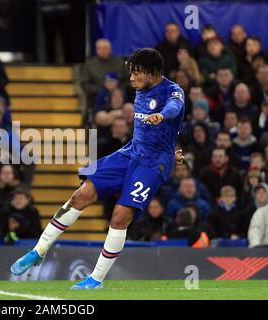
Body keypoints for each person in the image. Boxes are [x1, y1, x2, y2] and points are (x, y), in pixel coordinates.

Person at [11, 48, 185, 289]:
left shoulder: (173, 91)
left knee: (120, 215)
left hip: (153, 164)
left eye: (136, 73)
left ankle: (96, 279)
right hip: (130, 152)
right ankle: (38, 251)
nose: (131, 78)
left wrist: (162, 117)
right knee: (80, 195)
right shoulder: (139, 89)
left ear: (151, 72)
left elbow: (174, 109)